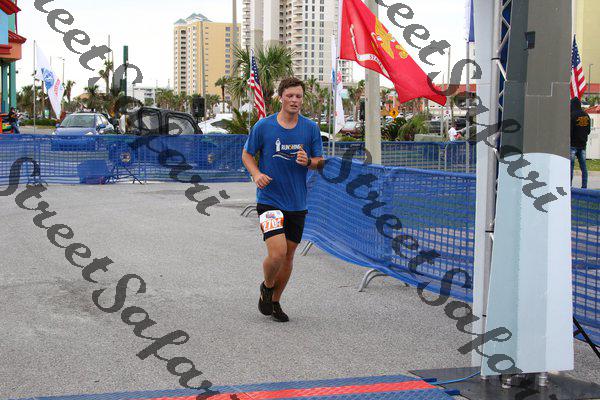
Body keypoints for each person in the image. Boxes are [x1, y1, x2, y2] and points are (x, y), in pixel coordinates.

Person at [241, 77, 324, 322]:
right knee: (277, 253)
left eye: (299, 96)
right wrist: (256, 174)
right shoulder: (264, 126)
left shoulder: (310, 128)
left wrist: (308, 162)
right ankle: (267, 286)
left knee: (288, 256)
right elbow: (247, 154)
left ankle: (275, 301)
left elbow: (320, 162)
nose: (295, 100)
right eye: (290, 96)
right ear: (281, 98)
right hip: (269, 199)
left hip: (297, 203)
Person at [570, 98, 591, 188]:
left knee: (570, 167)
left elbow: (570, 131)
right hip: (583, 145)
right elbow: (588, 131)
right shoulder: (586, 115)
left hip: (573, 145)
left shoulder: (572, 115)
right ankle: (584, 187)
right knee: (583, 167)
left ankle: (569, 186)